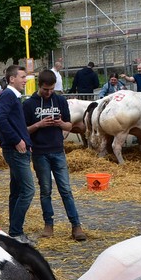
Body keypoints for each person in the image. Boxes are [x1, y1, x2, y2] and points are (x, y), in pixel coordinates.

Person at [23, 70, 88, 242]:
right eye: (46, 89)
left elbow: (68, 126)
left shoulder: (59, 100)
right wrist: (39, 124)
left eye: (52, 89)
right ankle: (48, 225)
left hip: (58, 150)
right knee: (45, 191)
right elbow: (24, 130)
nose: (49, 93)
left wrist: (60, 123)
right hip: (39, 152)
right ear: (39, 86)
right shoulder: (29, 104)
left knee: (66, 189)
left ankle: (76, 226)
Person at [0, 65, 36, 244]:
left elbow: (13, 122)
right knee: (28, 190)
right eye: (22, 77)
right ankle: (16, 232)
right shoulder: (8, 95)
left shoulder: (12, 96)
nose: (25, 80)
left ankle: (14, 232)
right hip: (14, 150)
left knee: (17, 190)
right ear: (12, 79)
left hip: (19, 148)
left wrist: (26, 142)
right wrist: (17, 140)